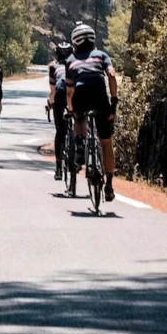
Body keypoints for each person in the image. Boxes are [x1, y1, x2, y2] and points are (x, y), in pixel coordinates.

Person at [65, 22, 119, 202]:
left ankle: (80, 143)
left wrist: (72, 110)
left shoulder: (71, 60)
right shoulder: (102, 55)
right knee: (106, 142)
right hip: (100, 95)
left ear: (75, 42)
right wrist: (114, 102)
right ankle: (109, 185)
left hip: (81, 94)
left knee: (79, 118)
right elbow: (111, 75)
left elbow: (70, 90)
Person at [47, 42, 72, 181]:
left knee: (60, 131)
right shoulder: (74, 64)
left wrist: (50, 103)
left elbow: (53, 91)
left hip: (61, 93)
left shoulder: (53, 67)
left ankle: (58, 167)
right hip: (74, 92)